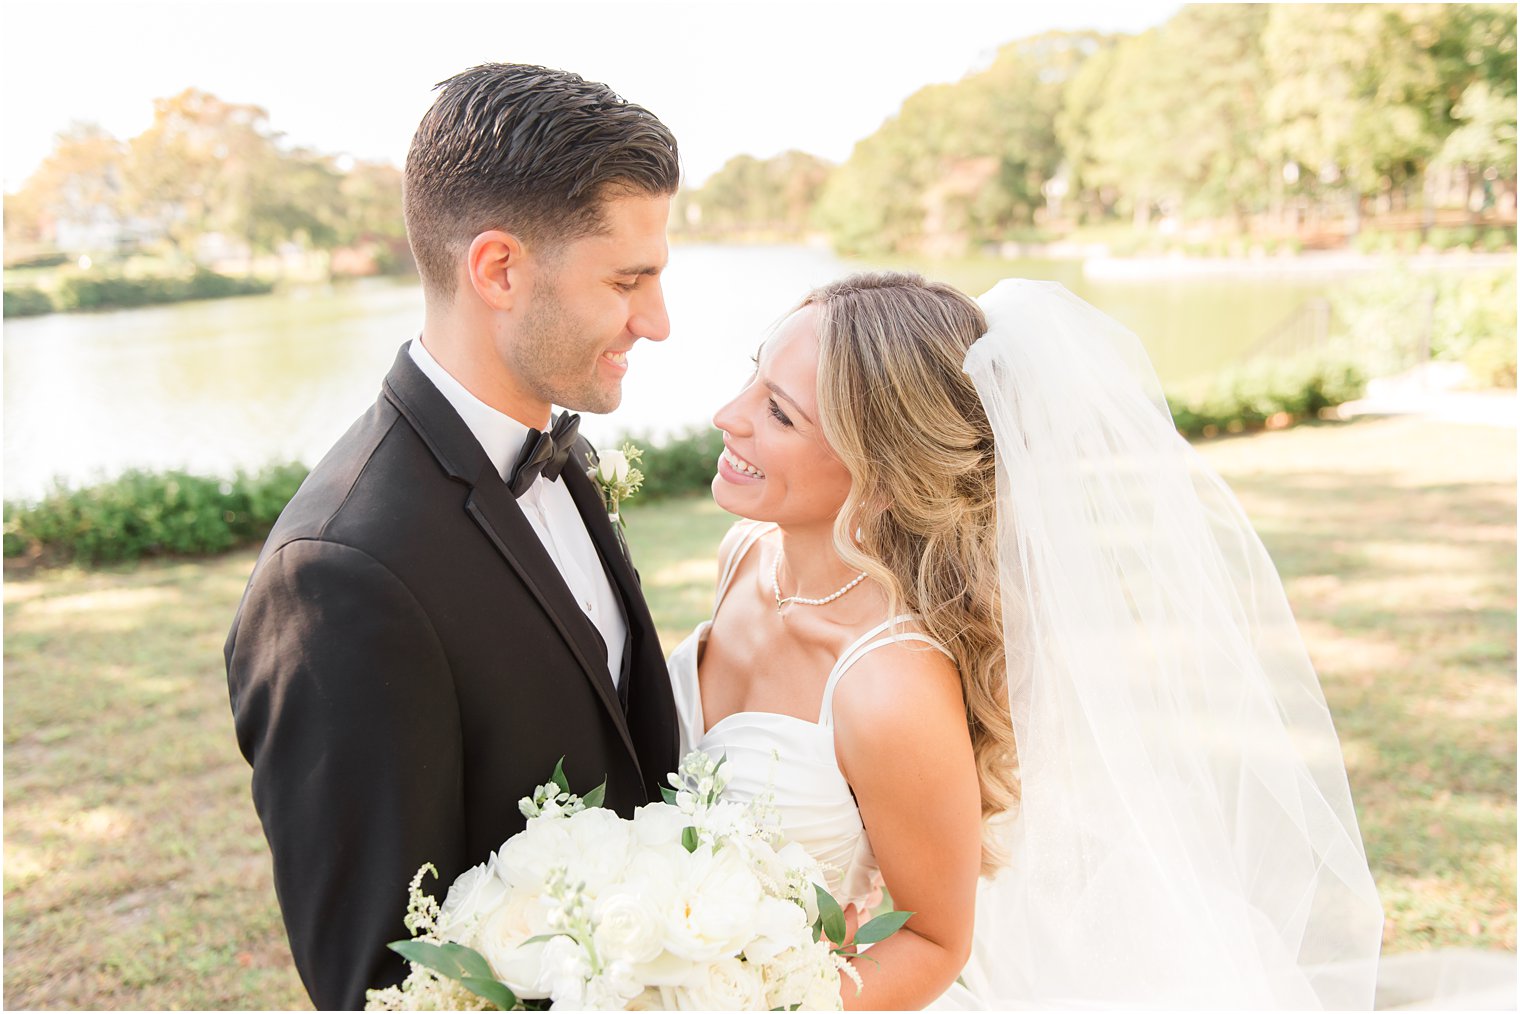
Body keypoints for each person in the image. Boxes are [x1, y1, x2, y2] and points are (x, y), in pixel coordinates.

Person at [669, 271, 1385, 1009]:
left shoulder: (888, 686)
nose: (730, 415)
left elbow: (936, 942)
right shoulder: (745, 554)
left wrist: (746, 1001)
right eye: (754, 377)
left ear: (882, 475)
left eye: (780, 415)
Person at [225, 63, 681, 1010]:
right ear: (499, 269)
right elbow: (379, 981)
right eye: (628, 280)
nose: (658, 322)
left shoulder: (557, 453)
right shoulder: (338, 575)